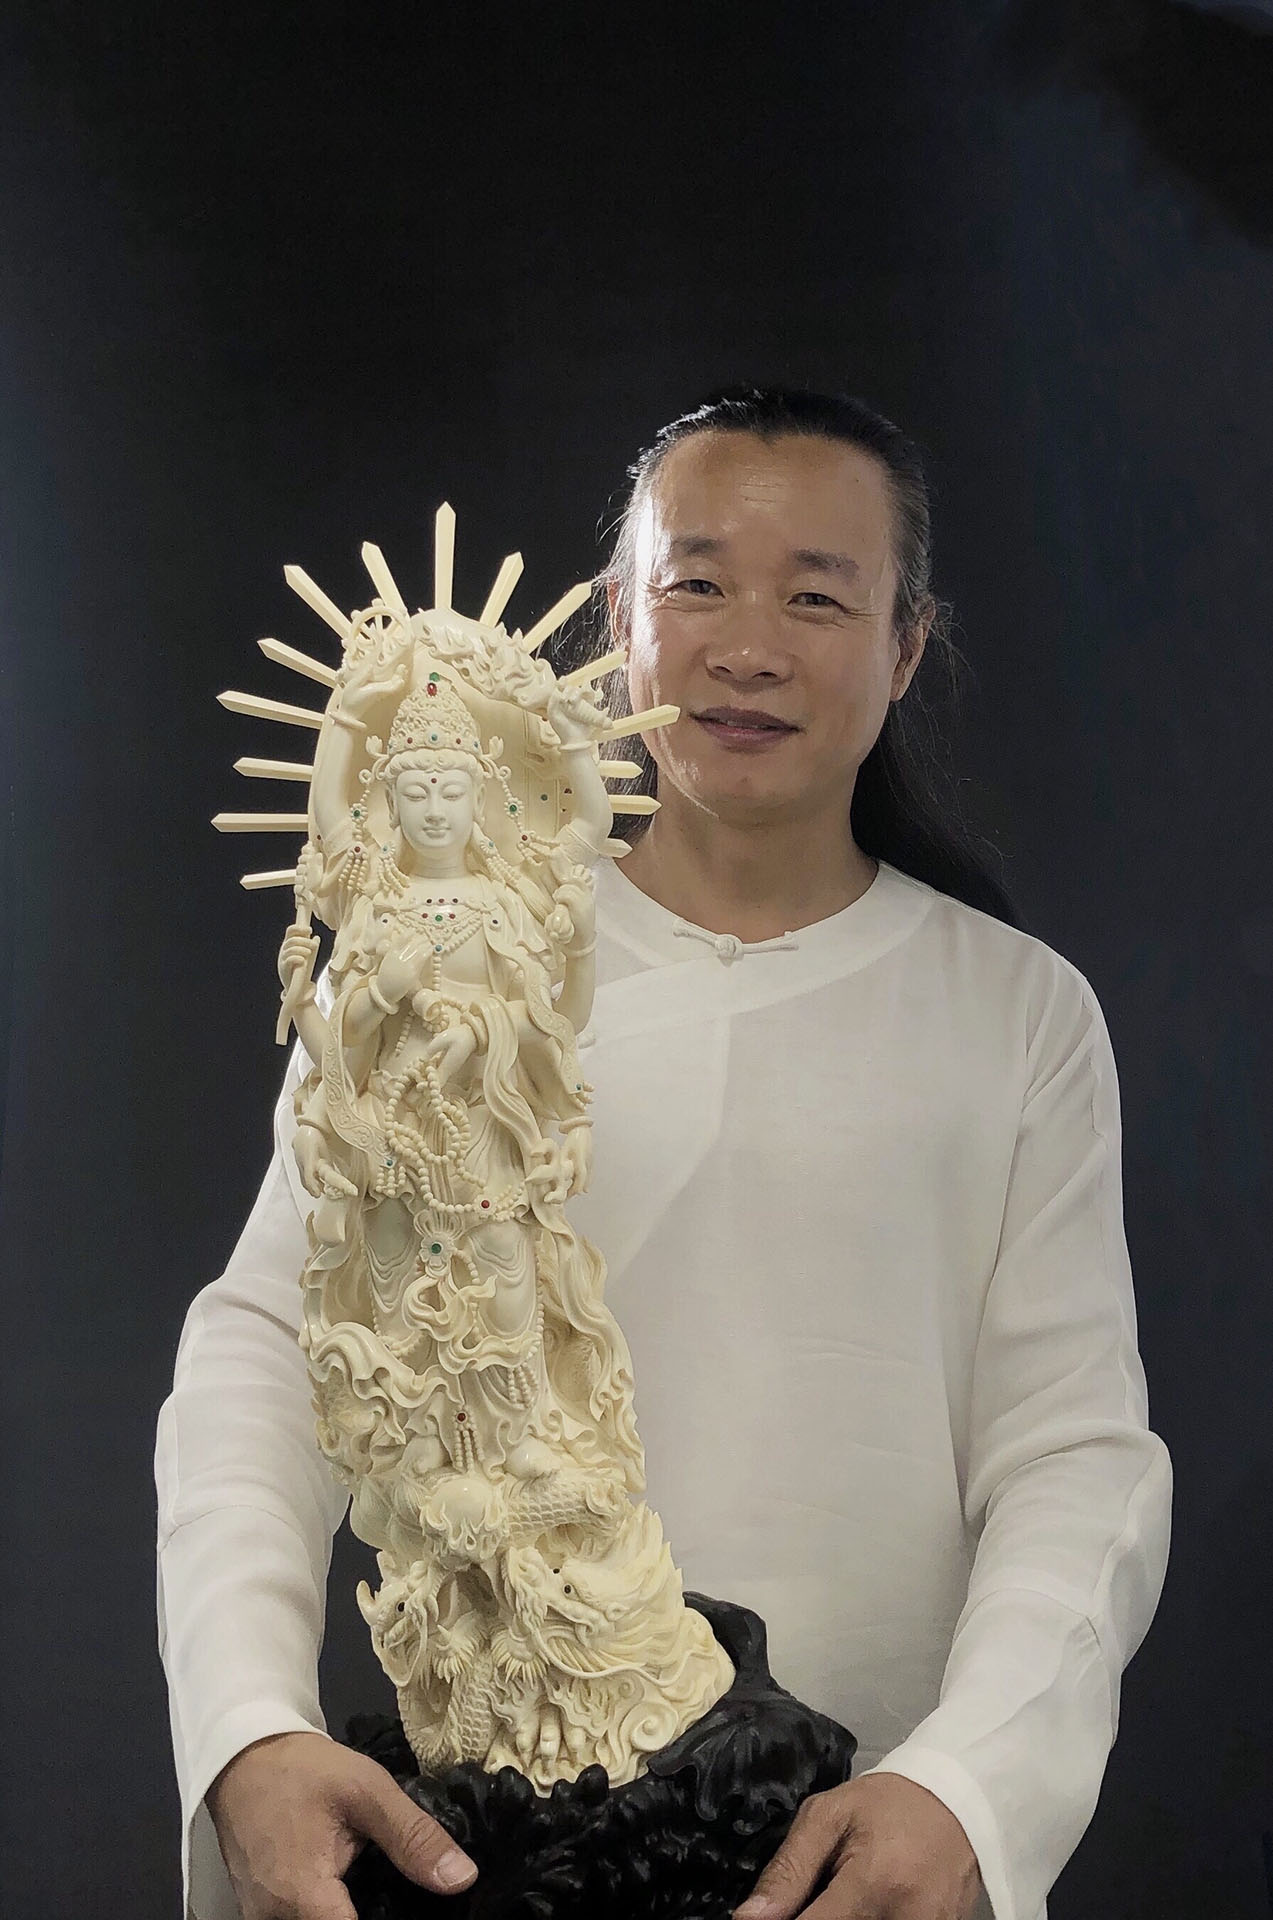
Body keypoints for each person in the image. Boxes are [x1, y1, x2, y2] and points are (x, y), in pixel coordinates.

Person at [155, 385, 1172, 1920]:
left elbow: (1071, 1454)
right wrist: (246, 1729)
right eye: (695, 583)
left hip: (859, 1853)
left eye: (815, 597)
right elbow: (269, 1361)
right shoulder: (443, 964)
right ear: (618, 618)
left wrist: (968, 1789)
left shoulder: (1014, 1013)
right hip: (487, 1820)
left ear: (904, 646)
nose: (747, 647)